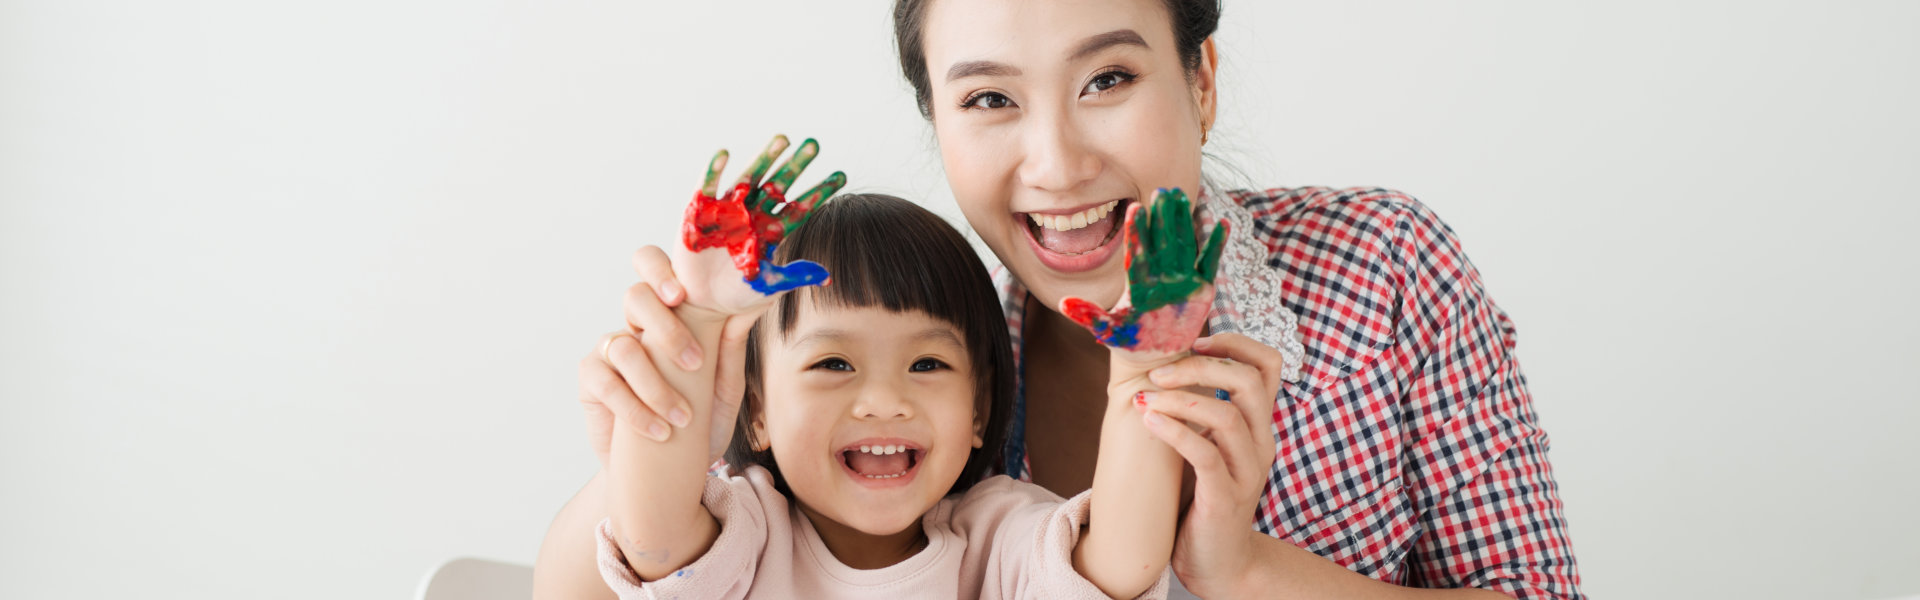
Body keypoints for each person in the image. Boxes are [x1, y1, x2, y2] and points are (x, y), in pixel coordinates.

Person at [542, 1, 1583, 598]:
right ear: (938, 124)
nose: (1056, 162)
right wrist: (663, 395)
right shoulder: (910, 354)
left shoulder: (1384, 268)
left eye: (1107, 81)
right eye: (990, 99)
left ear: (1201, 79)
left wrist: (1246, 572)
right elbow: (626, 573)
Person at [586, 143, 1238, 598]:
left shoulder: (994, 538)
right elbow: (654, 542)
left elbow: (1122, 567)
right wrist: (696, 320)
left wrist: (1139, 374)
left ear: (980, 408)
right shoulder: (749, 531)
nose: (883, 399)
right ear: (756, 409)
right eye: (833, 362)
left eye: (927, 362)